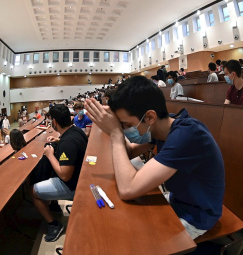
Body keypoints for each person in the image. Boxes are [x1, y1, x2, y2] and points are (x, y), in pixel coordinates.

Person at [84, 76, 225, 240]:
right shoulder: (164, 126)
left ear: (150, 117)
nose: (125, 129)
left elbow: (127, 189)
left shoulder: (187, 135)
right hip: (178, 200)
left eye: (127, 124)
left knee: (133, 242)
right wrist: (113, 127)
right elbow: (129, 151)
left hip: (197, 215)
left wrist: (116, 134)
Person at [31, 104, 88, 242]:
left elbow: (64, 175)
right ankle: (54, 206)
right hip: (82, 177)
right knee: (51, 171)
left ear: (54, 121)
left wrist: (50, 155)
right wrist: (59, 140)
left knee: (34, 191)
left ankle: (54, 225)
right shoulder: (76, 131)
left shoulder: (67, 142)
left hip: (73, 186)